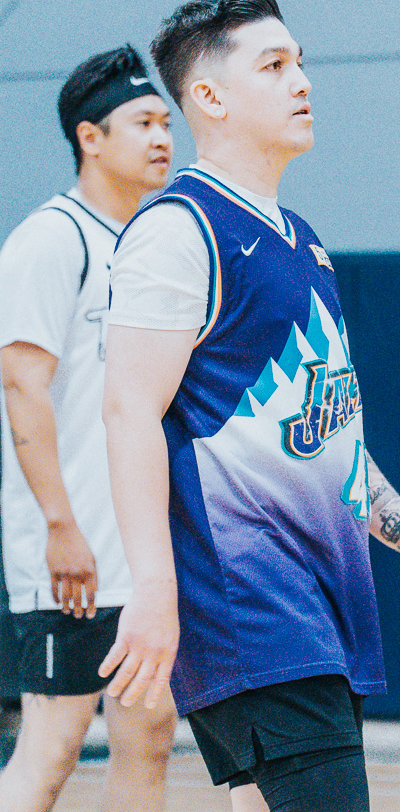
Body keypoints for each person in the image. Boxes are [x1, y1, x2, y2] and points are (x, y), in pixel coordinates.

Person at [100, 0, 400, 812]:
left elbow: (325, 434)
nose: (301, 81)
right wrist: (153, 588)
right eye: (273, 66)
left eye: (299, 62)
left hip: (324, 602)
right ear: (209, 97)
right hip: (251, 604)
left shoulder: (301, 240)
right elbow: (128, 412)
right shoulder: (180, 231)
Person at [0, 45, 178, 812]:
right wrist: (60, 525)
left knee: (150, 733)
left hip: (138, 555)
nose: (162, 137)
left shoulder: (151, 246)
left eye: (166, 121)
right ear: (90, 137)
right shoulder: (51, 239)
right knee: (54, 746)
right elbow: (21, 385)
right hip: (69, 555)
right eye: (142, 122)